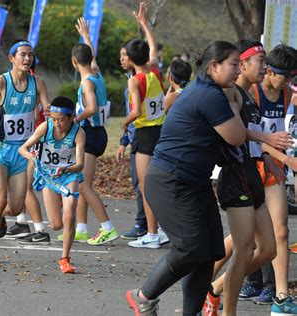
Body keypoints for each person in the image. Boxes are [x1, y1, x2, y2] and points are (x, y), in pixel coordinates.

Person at [126, 40, 246, 315]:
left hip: (196, 183)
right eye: (234, 64)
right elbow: (236, 136)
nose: (237, 70)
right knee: (191, 248)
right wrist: (235, 105)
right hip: (171, 181)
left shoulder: (211, 90)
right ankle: (143, 296)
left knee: (208, 253)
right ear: (214, 66)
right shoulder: (210, 94)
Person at [203, 39, 295, 315]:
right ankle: (215, 297)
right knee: (245, 245)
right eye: (262, 62)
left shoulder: (256, 97)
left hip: (260, 169)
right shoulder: (235, 94)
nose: (266, 68)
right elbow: (239, 135)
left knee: (266, 245)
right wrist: (275, 150)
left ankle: (215, 287)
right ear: (242, 64)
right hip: (239, 173)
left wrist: (268, 157)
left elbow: (252, 137)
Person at [0, 40, 49, 263]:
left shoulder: (38, 84)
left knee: (14, 208)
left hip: (22, 153)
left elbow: (47, 111)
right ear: (12, 58)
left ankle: (0, 218)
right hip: (0, 150)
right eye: (22, 55)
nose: (27, 59)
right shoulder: (1, 82)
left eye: (30, 55)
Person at [251, 44, 297, 313]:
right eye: (286, 77)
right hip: (252, 165)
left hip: (275, 167)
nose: (289, 84)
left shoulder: (284, 94)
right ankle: (214, 284)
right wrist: (288, 159)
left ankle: (281, 297)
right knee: (243, 238)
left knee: (281, 230)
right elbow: (255, 138)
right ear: (269, 71)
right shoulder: (253, 92)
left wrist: (283, 158)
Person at [19, 96, 85, 273]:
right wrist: (31, 157)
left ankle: (65, 259)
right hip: (48, 178)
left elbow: (80, 164)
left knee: (69, 216)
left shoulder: (78, 133)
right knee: (56, 225)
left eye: (61, 120)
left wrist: (66, 168)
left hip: (69, 176)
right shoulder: (45, 127)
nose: (57, 123)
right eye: (54, 119)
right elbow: (22, 148)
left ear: (72, 117)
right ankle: (63, 202)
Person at [67, 17, 118, 245]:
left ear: (73, 62)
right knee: (82, 182)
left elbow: (92, 108)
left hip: (91, 134)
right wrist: (86, 35)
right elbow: (92, 56)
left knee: (84, 185)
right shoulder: (96, 73)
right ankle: (81, 228)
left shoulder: (87, 83)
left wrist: (74, 118)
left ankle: (107, 227)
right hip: (99, 134)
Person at [122, 2, 168, 249]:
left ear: (129, 59)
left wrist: (123, 123)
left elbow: (137, 110)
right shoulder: (154, 72)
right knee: (159, 183)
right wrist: (144, 23)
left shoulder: (135, 80)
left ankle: (151, 234)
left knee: (146, 185)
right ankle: (160, 230)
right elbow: (152, 47)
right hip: (161, 131)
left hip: (145, 134)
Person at [8, 56, 51, 245]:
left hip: (33, 138)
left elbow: (35, 113)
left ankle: (40, 229)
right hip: (25, 139)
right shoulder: (32, 81)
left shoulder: (31, 83)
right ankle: (21, 221)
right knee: (18, 184)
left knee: (25, 187)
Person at [116, 42, 148, 240]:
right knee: (142, 185)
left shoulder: (139, 80)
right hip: (137, 138)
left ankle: (144, 225)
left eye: (125, 55)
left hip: (145, 139)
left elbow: (134, 114)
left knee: (142, 186)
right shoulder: (132, 80)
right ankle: (149, 226)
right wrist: (123, 141)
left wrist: (125, 124)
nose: (121, 59)